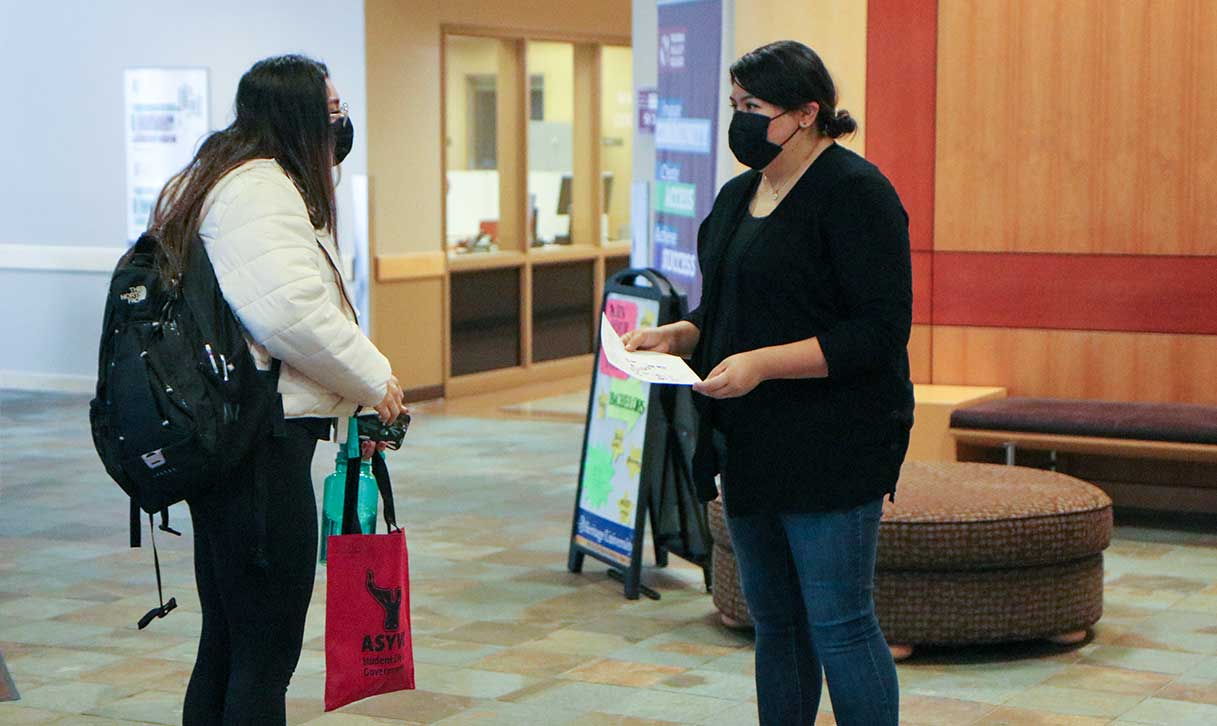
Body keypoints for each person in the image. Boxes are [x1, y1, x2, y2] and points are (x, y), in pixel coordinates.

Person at [622, 40, 911, 726]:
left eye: (753, 107)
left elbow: (875, 333)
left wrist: (761, 363)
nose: (739, 122)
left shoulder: (855, 193)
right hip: (749, 442)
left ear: (807, 112)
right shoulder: (735, 198)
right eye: (733, 106)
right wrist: (679, 335)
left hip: (833, 442)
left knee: (839, 623)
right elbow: (722, 312)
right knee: (775, 625)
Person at [148, 54, 405, 725]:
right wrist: (375, 381)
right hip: (260, 451)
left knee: (231, 643)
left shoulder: (232, 177)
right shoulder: (260, 191)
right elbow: (291, 312)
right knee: (263, 657)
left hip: (238, 447)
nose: (341, 123)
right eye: (331, 111)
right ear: (296, 116)